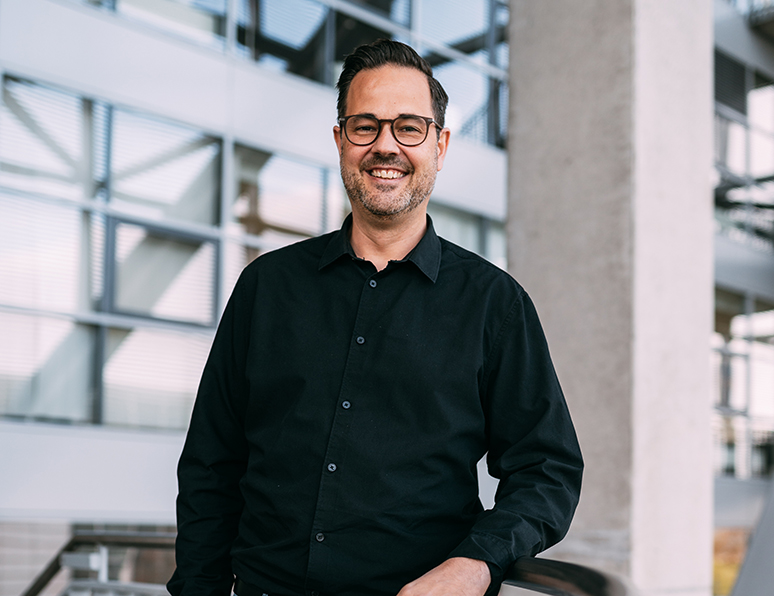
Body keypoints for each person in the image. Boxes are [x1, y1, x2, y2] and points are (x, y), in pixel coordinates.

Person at [167, 39, 582, 596]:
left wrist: (477, 562)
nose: (386, 146)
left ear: (441, 144)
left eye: (409, 127)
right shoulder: (267, 286)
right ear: (341, 141)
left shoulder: (495, 304)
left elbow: (547, 471)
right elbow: (211, 465)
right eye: (366, 126)